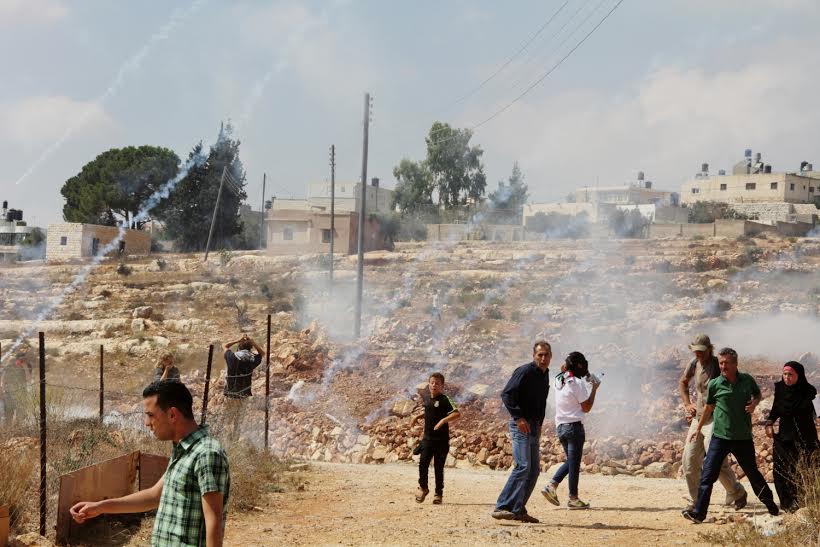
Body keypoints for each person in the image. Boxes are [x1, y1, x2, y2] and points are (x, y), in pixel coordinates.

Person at [70, 381, 230, 546]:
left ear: (172, 415)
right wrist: (100, 507)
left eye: (151, 415)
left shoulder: (207, 454)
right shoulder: (183, 450)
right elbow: (154, 496)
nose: (147, 422)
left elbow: (214, 521)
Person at [682, 348, 778, 524]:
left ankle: (771, 506)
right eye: (721, 363)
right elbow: (709, 407)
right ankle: (699, 513)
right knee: (707, 476)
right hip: (720, 438)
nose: (723, 366)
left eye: (726, 363)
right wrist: (698, 428)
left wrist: (754, 404)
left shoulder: (747, 380)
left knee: (753, 474)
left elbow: (757, 394)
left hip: (742, 438)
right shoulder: (715, 384)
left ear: (735, 364)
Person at [678, 334, 747, 511]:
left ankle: (736, 492)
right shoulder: (694, 364)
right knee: (689, 460)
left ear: (710, 349)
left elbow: (736, 384)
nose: (698, 354)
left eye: (702, 351)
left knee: (714, 459)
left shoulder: (718, 365)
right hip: (698, 419)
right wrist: (687, 404)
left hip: (716, 418)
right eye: (696, 351)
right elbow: (683, 382)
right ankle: (696, 501)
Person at [491, 340, 552, 523]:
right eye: (540, 355)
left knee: (533, 471)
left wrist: (540, 424)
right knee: (523, 466)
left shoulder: (545, 375)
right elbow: (507, 394)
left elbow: (542, 402)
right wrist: (518, 418)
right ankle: (502, 506)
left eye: (546, 355)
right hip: (521, 425)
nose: (543, 358)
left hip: (533, 425)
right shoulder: (524, 371)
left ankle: (518, 509)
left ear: (551, 356)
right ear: (534, 356)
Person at [541, 351, 600, 510]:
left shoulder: (558, 379)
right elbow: (586, 407)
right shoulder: (577, 383)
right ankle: (571, 497)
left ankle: (553, 487)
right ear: (579, 366)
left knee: (572, 462)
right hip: (574, 427)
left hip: (561, 427)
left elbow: (564, 369)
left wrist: (581, 373)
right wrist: (594, 388)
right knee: (574, 464)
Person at [765, 361, 818, 512]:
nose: (787, 377)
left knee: (805, 469)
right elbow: (775, 410)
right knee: (781, 470)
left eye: (790, 375)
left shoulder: (809, 392)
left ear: (799, 376)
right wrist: (769, 423)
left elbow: (817, 412)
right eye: (785, 374)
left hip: (805, 438)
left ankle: (805, 501)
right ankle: (787, 503)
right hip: (785, 437)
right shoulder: (780, 389)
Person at [411, 372, 461, 505]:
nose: (434, 385)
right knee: (423, 464)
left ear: (442, 386)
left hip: (441, 441)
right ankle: (423, 488)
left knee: (438, 468)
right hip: (427, 439)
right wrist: (417, 417)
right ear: (429, 384)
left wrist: (443, 421)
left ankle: (438, 494)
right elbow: (429, 411)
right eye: (432, 382)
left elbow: (457, 413)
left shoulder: (445, 399)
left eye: (437, 383)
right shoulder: (427, 399)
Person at [221, 334, 265, 442]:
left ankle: (226, 440)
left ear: (239, 347)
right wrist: (253, 342)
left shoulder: (232, 357)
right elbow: (262, 353)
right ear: (250, 348)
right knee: (238, 419)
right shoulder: (252, 359)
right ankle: (234, 440)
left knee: (228, 418)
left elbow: (225, 346)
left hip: (230, 393)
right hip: (244, 394)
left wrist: (237, 340)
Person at [1, 343, 33, 425]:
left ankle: (18, 429)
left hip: (21, 393)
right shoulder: (10, 366)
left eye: (23, 359)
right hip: (9, 393)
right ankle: (8, 431)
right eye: (20, 359)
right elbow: (3, 380)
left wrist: (25, 368)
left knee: (21, 415)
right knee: (8, 414)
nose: (21, 361)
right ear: (16, 359)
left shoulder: (28, 366)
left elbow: (29, 380)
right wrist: (3, 391)